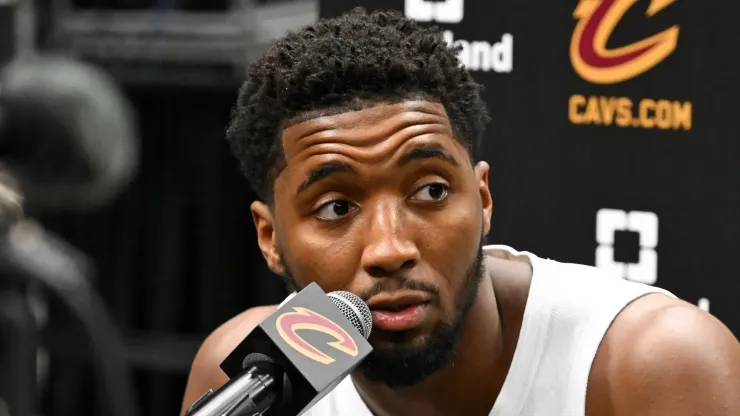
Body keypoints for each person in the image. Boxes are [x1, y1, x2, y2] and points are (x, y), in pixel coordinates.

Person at [181, 8, 740, 416]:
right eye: (335, 207)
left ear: (484, 198)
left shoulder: (654, 367)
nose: (389, 248)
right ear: (269, 236)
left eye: (429, 192)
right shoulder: (247, 385)